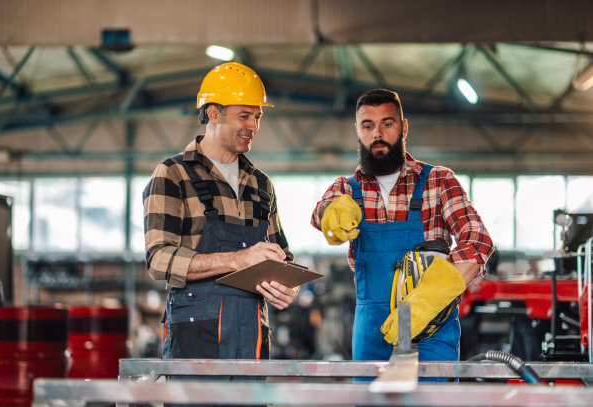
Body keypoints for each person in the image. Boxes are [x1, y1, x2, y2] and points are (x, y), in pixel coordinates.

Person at [310, 89, 494, 379]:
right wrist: (331, 213)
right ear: (357, 130)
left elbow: (478, 239)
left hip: (432, 325)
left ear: (403, 127)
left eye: (388, 123)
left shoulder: (438, 180)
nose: (377, 133)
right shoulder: (346, 188)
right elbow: (321, 213)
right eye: (368, 126)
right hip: (373, 333)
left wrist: (431, 297)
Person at [144, 62, 297, 366]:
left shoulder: (261, 184)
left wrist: (286, 286)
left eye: (257, 116)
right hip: (193, 338)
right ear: (213, 113)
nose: (253, 126)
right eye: (244, 116)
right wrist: (238, 260)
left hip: (250, 336)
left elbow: (283, 257)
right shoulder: (173, 174)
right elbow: (158, 260)